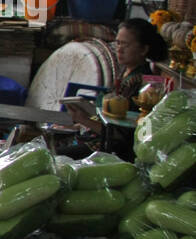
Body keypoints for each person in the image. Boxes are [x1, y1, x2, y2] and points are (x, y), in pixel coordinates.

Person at [66, 17, 167, 160]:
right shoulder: (125, 72)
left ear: (143, 49)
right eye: (118, 43)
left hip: (115, 150)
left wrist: (83, 120)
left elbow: (120, 136)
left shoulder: (140, 83)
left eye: (125, 44)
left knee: (57, 154)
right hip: (100, 136)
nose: (119, 49)